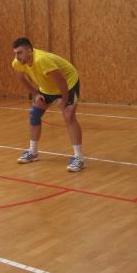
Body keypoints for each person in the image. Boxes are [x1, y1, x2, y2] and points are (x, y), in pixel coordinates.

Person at [11, 37, 84, 172]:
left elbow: (61, 80)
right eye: (15, 53)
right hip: (47, 87)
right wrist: (35, 94)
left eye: (19, 52)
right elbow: (21, 78)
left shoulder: (42, 60)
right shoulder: (17, 62)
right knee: (34, 114)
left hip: (68, 83)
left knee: (68, 116)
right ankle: (33, 152)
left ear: (29, 51)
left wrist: (64, 100)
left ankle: (79, 158)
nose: (16, 56)